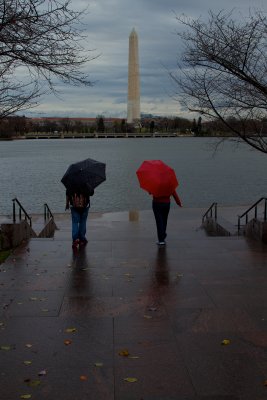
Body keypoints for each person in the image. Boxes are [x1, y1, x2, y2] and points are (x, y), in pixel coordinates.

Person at [65, 186, 94, 250]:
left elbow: (67, 193)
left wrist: (67, 203)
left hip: (74, 206)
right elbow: (92, 193)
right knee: (83, 222)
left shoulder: (71, 182)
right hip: (85, 205)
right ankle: (82, 238)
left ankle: (75, 240)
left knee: (75, 222)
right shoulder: (86, 182)